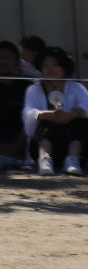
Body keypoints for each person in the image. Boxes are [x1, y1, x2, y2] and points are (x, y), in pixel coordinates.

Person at [23, 47, 87, 176]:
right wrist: (48, 115)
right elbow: (27, 114)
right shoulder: (34, 89)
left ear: (64, 68)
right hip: (42, 145)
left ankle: (72, 161)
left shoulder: (77, 88)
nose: (50, 69)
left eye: (55, 65)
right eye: (46, 66)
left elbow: (86, 107)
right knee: (46, 124)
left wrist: (72, 114)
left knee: (80, 123)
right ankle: (45, 160)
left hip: (72, 144)